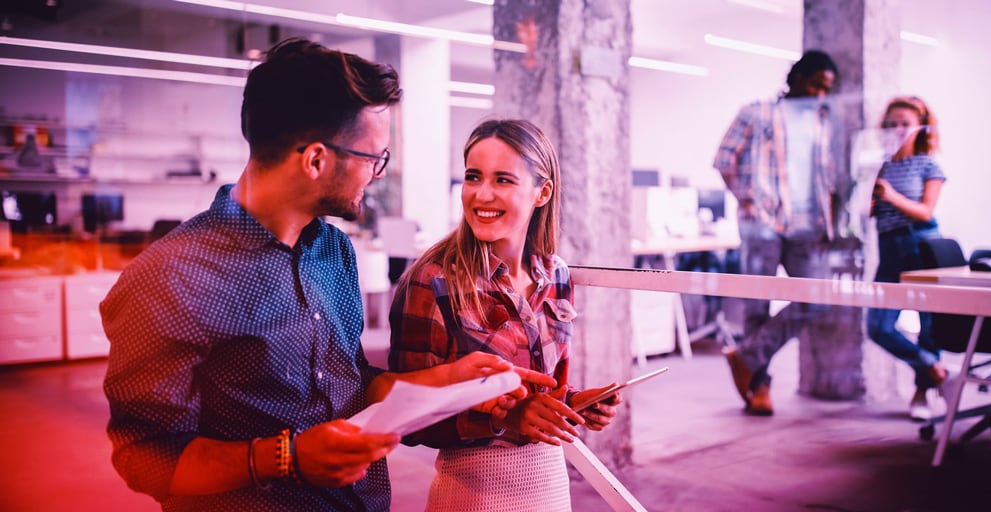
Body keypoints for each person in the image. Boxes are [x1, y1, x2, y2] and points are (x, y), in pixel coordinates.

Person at [101, 38, 551, 511]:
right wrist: (285, 457)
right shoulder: (169, 278)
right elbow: (144, 458)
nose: (378, 174)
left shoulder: (333, 251)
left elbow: (354, 385)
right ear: (316, 159)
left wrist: (451, 380)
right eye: (374, 157)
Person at [388, 118, 622, 511]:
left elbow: (546, 388)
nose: (482, 194)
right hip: (470, 495)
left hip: (549, 488)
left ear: (542, 192)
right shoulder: (434, 281)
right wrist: (506, 418)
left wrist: (575, 403)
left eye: (503, 180)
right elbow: (406, 419)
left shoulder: (556, 273)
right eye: (473, 177)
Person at [712, 50, 845, 415]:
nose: (820, 94)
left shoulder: (821, 123)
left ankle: (747, 357)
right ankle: (759, 388)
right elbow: (724, 160)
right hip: (764, 224)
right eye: (816, 85)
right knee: (757, 306)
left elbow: (827, 178)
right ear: (797, 78)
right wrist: (750, 201)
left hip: (807, 227)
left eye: (826, 89)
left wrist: (829, 225)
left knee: (817, 296)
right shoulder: (757, 111)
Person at [867, 95, 947, 421]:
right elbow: (867, 213)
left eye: (905, 124)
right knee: (877, 326)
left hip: (922, 245)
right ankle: (931, 366)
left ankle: (922, 393)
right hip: (889, 249)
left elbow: (926, 211)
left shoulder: (930, 165)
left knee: (929, 326)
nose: (897, 130)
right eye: (891, 124)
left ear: (921, 127)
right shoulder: (879, 166)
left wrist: (891, 196)